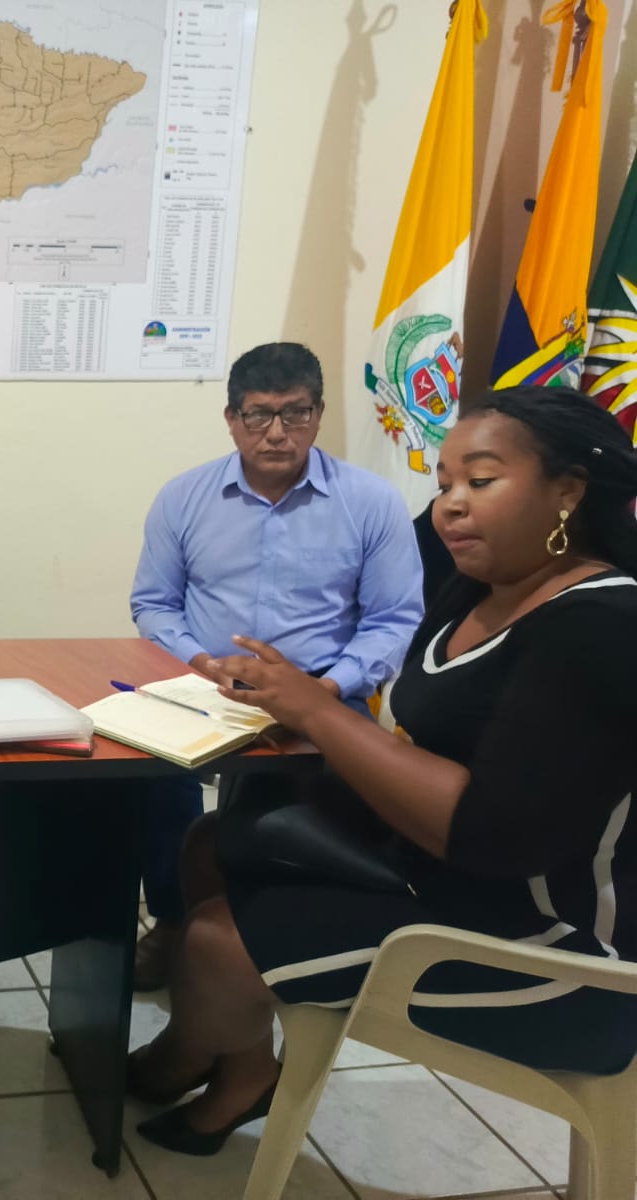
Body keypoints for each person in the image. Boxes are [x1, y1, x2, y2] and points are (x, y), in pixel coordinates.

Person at [128, 385, 637, 1156]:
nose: (450, 506)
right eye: (444, 483)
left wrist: (317, 710)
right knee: (209, 845)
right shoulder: (486, 586)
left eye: (481, 480)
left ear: (568, 491)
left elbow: (489, 835)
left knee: (214, 942)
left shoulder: (599, 626)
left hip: (554, 953)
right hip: (442, 875)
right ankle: (227, 1062)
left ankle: (207, 1063)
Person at [127, 342, 423, 989]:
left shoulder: (371, 502)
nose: (277, 433)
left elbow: (393, 619)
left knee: (288, 811)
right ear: (231, 418)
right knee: (148, 782)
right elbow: (154, 605)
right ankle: (175, 919)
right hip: (202, 685)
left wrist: (326, 688)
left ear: (319, 414)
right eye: (258, 415)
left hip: (323, 689)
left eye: (296, 413)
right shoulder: (184, 497)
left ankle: (262, 929)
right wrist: (202, 662)